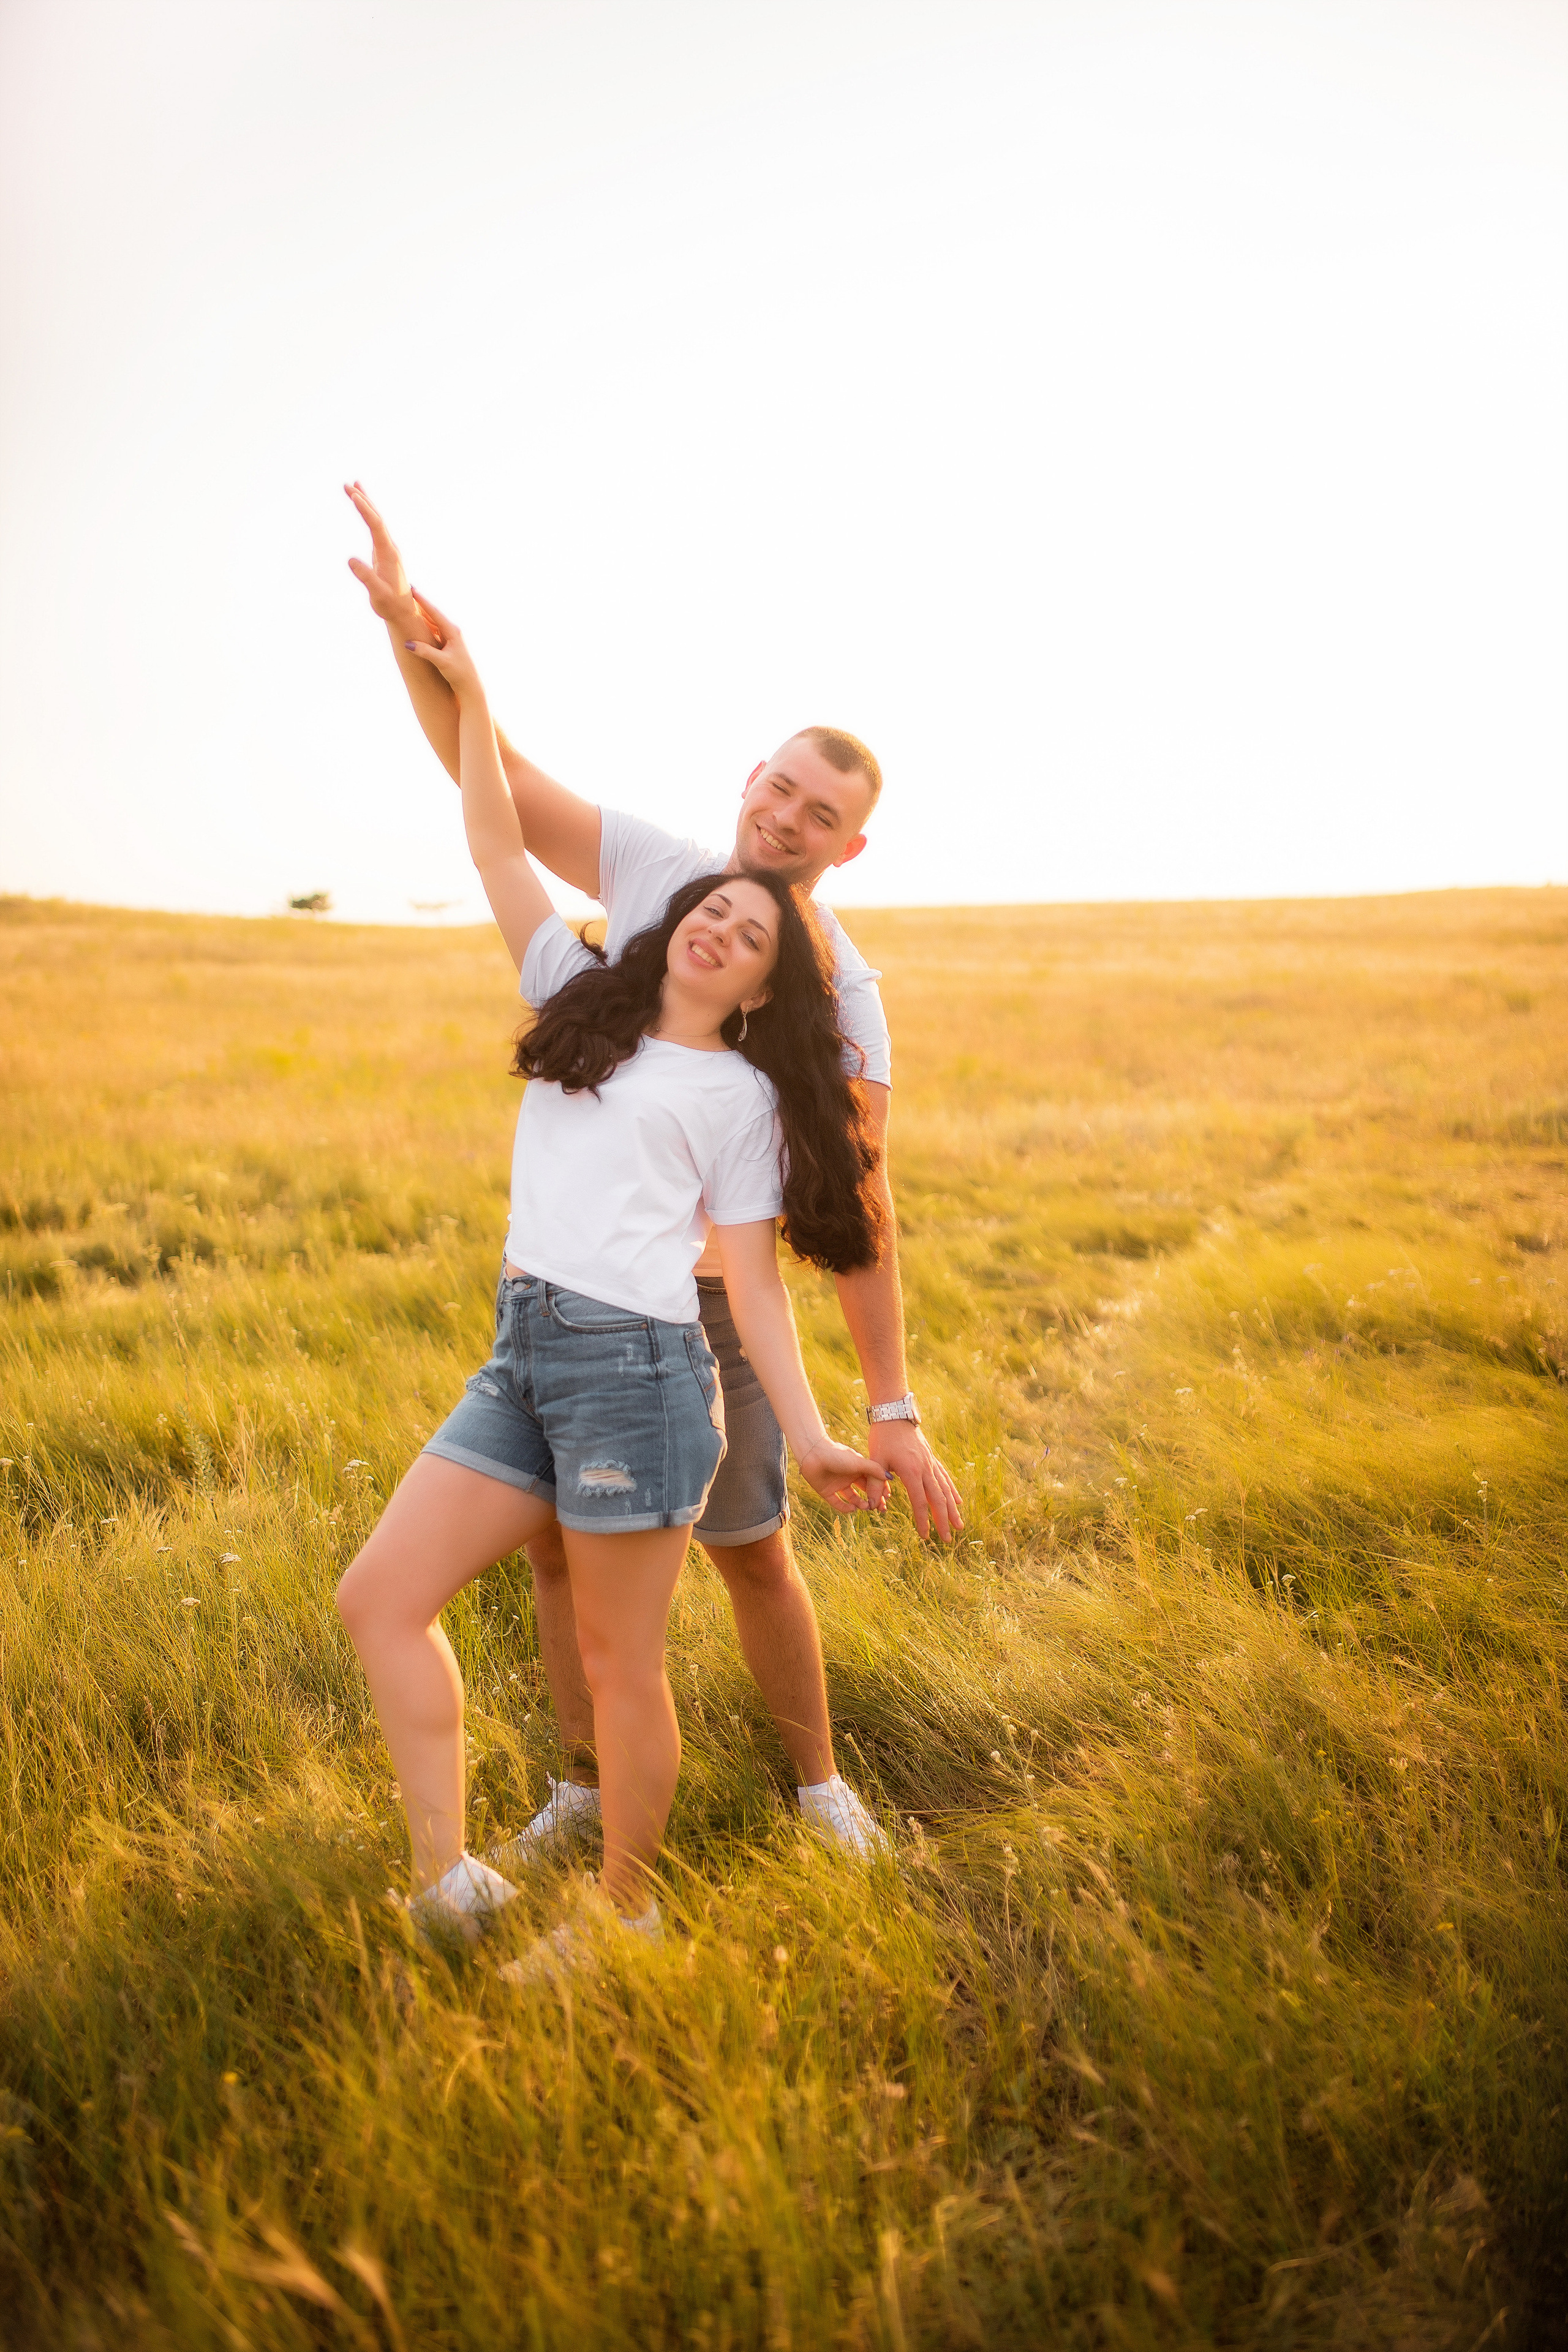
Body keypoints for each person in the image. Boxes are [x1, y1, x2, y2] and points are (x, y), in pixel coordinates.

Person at [345, 484, 961, 1865]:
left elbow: (850, 1214)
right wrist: (413, 637)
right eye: (781, 789)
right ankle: (582, 1797)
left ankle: (814, 1786)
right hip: (569, 1304)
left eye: (821, 817)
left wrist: (886, 1405)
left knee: (751, 1554)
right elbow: (487, 781)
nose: (788, 821)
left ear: (847, 847)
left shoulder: (842, 996)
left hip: (709, 1332)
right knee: (562, 1560)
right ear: (751, 779)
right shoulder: (657, 872)